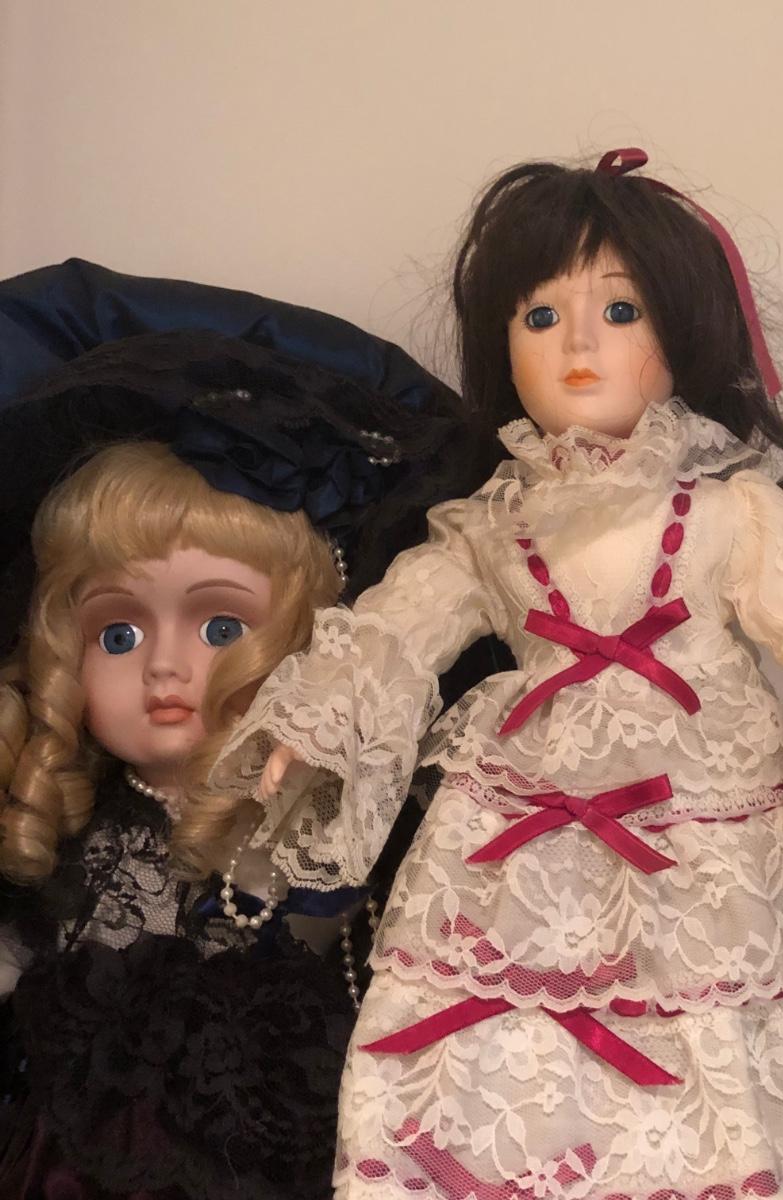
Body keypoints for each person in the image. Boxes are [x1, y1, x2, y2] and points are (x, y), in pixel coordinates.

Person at [215, 149, 783, 1200]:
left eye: (619, 311)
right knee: (492, 1039)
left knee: (705, 1050)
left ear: (685, 334)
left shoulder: (732, 511)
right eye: (539, 315)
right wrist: (318, 719)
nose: (577, 345)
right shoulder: (491, 523)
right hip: (517, 829)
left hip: (705, 834)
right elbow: (399, 626)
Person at [0, 324, 463, 1200]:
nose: (164, 668)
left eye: (220, 626)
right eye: (118, 634)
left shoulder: (331, 830)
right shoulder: (79, 835)